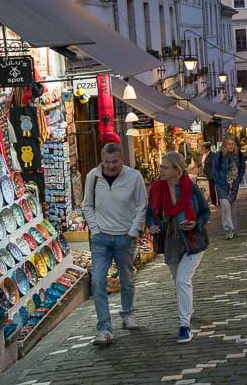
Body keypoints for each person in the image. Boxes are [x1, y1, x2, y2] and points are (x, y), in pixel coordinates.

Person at [81, 143, 148, 345]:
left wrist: (132, 231)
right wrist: (95, 229)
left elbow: (142, 206)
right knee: (98, 281)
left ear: (122, 160)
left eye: (115, 162)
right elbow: (87, 205)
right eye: (107, 162)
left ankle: (127, 313)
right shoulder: (93, 177)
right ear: (102, 160)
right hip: (101, 238)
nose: (110, 166)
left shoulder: (134, 177)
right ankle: (104, 328)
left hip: (124, 237)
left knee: (126, 279)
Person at [147, 152, 211, 344]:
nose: (161, 170)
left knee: (183, 279)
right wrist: (152, 225)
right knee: (178, 280)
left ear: (177, 170)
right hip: (170, 241)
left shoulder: (190, 188)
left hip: (193, 240)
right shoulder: (157, 189)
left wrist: (196, 224)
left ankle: (184, 326)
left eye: (165, 167)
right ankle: (188, 309)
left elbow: (205, 211)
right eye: (161, 166)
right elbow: (150, 213)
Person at [212, 135, 245, 240]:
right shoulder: (219, 155)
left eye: (232, 144)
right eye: (228, 144)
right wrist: (218, 181)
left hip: (234, 183)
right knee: (225, 205)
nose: (230, 146)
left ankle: (233, 227)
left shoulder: (239, 155)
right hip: (222, 183)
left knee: (232, 205)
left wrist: (238, 180)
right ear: (225, 145)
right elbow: (214, 169)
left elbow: (242, 168)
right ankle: (228, 229)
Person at [200, 142, 218, 206]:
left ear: (207, 149)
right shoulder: (205, 155)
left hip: (212, 175)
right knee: (211, 188)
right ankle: (213, 202)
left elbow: (213, 165)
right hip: (209, 175)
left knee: (213, 189)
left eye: (203, 149)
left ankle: (215, 202)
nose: (202, 150)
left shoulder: (212, 155)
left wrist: (212, 174)